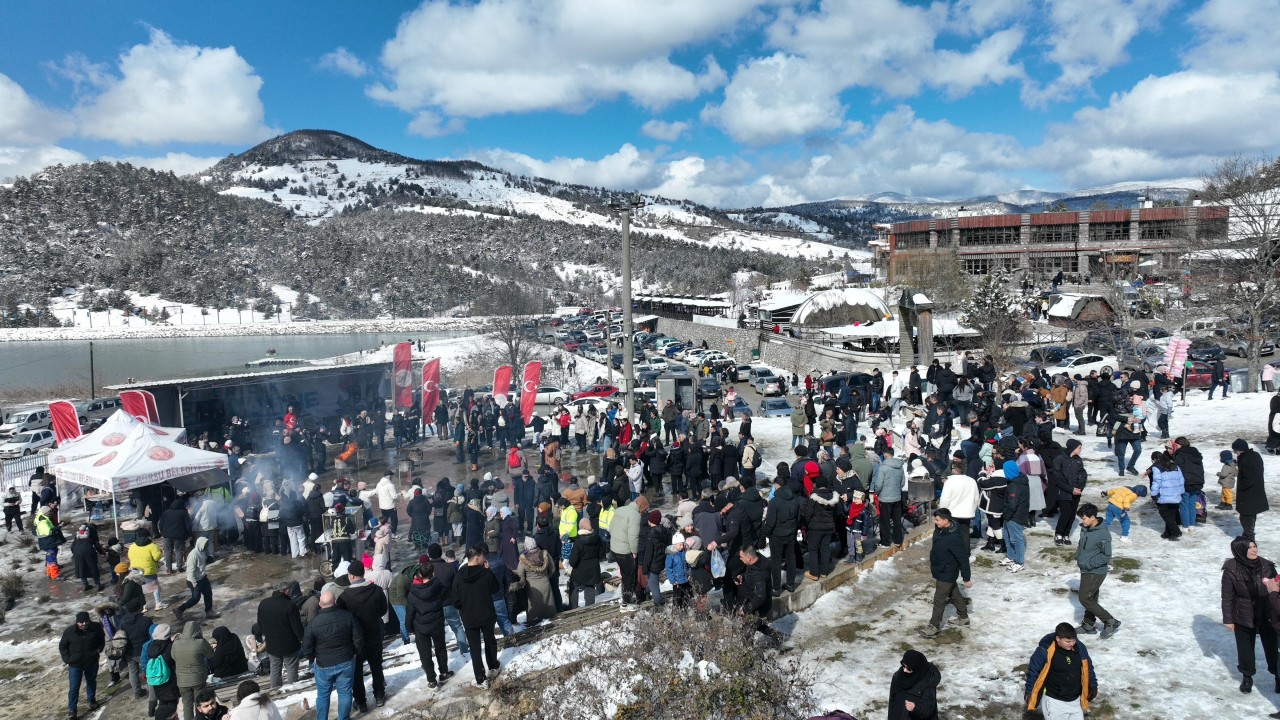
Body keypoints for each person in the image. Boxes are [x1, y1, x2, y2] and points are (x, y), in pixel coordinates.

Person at [1222, 536, 1280, 695]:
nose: (1254, 550)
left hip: (1268, 612)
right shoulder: (1231, 569)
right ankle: (1247, 677)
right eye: (1249, 548)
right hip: (1243, 613)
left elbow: (1278, 587)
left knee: (1273, 647)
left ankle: (1278, 676)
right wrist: (1228, 619)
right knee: (1245, 648)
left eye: (1254, 546)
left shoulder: (1267, 566)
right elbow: (1227, 596)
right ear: (1240, 550)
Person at [301, 591, 363, 720]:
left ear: (320, 604)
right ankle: (343, 718)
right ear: (335, 602)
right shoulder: (348, 616)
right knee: (345, 692)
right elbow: (358, 638)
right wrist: (355, 653)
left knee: (323, 695)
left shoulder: (313, 623)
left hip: (323, 664)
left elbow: (307, 646)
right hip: (345, 660)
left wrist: (312, 659)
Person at [337, 561, 389, 710]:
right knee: (376, 666)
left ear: (352, 576)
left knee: (357, 671)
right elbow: (383, 610)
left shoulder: (344, 597)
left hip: (355, 640)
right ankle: (379, 695)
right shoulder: (376, 590)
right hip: (374, 635)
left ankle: (361, 702)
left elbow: (342, 620)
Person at [1024, 622, 1098, 720]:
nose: (1072, 644)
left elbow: (1088, 667)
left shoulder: (1080, 648)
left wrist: (1093, 685)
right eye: (1068, 641)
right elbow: (1033, 672)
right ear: (1058, 639)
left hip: (1075, 701)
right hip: (1054, 702)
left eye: (1074, 640)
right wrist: (1029, 692)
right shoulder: (1044, 651)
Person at [453, 545, 503, 689]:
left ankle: (480, 679)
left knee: (475, 648)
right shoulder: (485, 573)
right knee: (490, 641)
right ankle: (493, 666)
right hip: (487, 614)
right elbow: (495, 589)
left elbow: (455, 600)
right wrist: (489, 570)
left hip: (469, 617)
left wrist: (464, 608)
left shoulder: (459, 576)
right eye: (482, 556)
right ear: (476, 558)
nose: (485, 558)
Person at [919, 508, 971, 639]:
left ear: (946, 521)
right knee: (954, 593)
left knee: (939, 599)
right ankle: (963, 617)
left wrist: (966, 578)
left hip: (947, 571)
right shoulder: (940, 529)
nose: (935, 522)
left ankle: (934, 626)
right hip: (940, 568)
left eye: (937, 520)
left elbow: (963, 558)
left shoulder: (954, 538)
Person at [405, 562, 455, 690]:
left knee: (425, 653)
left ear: (420, 574)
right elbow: (446, 595)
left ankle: (431, 680)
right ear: (433, 573)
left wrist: (409, 628)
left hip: (420, 626)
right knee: (440, 648)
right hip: (437, 622)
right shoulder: (438, 587)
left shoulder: (413, 593)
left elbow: (409, 613)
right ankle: (444, 672)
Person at [1074, 504, 1120, 638]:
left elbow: (1106, 555)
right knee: (1091, 598)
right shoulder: (1086, 529)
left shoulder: (1103, 534)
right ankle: (1088, 625)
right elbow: (1081, 544)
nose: (1082, 521)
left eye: (1084, 518)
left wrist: (1088, 564)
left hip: (1095, 571)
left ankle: (1110, 621)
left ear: (1093, 517)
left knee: (1084, 598)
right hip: (1086, 569)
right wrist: (1078, 556)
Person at [256, 581, 304, 689]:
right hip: (289, 645)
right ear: (286, 590)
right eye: (291, 590)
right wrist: (303, 639)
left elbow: (260, 625)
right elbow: (297, 627)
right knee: (291, 668)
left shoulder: (263, 603)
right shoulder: (290, 605)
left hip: (272, 644)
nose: (291, 593)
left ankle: (274, 690)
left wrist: (268, 635)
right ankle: (292, 690)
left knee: (275, 669)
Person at [60, 610, 105, 720]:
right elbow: (62, 646)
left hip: (91, 661)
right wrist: (67, 659)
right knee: (74, 687)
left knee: (91, 681)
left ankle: (92, 701)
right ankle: (72, 710)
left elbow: (102, 640)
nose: (84, 624)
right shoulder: (69, 631)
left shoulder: (96, 627)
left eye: (86, 621)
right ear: (77, 622)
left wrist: (98, 650)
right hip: (75, 664)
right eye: (81, 622)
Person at [173, 620, 214, 720]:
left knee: (187, 705)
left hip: (182, 681)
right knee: (199, 703)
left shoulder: (176, 644)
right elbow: (211, 655)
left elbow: (173, 657)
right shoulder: (200, 643)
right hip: (198, 679)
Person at [887, 649, 940, 720]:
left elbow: (929, 708)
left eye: (908, 668)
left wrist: (915, 707)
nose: (904, 670)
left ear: (916, 668)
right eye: (903, 665)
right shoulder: (898, 677)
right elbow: (892, 702)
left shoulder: (927, 681)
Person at [175, 536, 217, 622]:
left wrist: (208, 559)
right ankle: (179, 609)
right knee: (195, 599)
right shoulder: (193, 555)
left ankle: (209, 611)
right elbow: (190, 571)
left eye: (206, 544)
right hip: (194, 580)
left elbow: (202, 563)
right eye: (205, 544)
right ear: (200, 544)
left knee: (208, 594)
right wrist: (194, 583)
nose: (206, 546)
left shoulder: (202, 552)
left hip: (203, 578)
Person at [1234, 439, 1268, 540]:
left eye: (1235, 450)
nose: (1235, 453)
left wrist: (1241, 487)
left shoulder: (1246, 460)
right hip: (1257, 491)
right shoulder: (1255, 455)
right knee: (1251, 515)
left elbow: (1248, 479)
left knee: (1245, 517)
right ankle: (1248, 535)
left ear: (1239, 450)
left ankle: (1249, 539)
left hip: (1248, 494)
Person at [1149, 451, 1186, 541]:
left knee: (1165, 514)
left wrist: (1154, 494)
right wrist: (1181, 492)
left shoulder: (1156, 467)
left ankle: (1176, 532)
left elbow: (1156, 482)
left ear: (1154, 459)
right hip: (1175, 493)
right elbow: (1181, 480)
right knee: (1171, 514)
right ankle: (1167, 532)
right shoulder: (1175, 466)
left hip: (1164, 495)